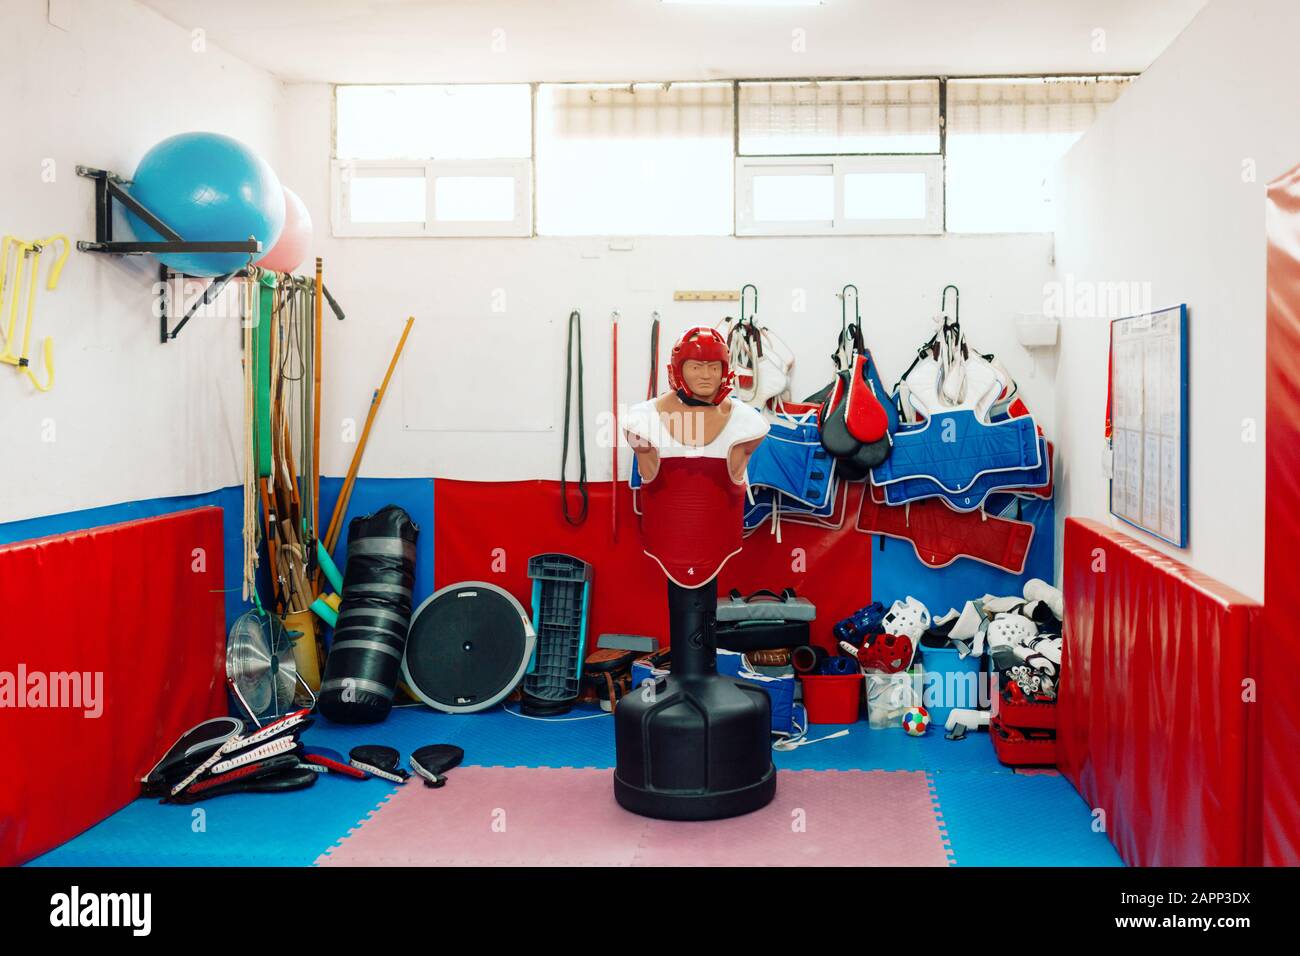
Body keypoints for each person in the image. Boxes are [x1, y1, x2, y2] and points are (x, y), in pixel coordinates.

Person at [623, 327, 768, 588]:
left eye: (714, 367)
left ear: (725, 371)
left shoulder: (748, 423)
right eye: (696, 367)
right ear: (677, 371)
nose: (706, 376)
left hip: (718, 545)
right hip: (667, 544)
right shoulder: (641, 420)